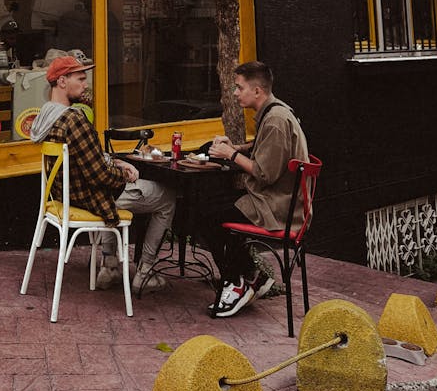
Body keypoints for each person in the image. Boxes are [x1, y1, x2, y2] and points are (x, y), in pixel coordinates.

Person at [29, 54, 175, 293]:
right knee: (166, 196)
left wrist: (115, 162)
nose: (86, 85)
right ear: (62, 81)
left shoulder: (46, 117)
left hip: (66, 197)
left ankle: (109, 266)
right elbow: (100, 178)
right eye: (81, 79)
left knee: (113, 186)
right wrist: (125, 175)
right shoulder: (75, 119)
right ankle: (145, 273)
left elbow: (87, 159)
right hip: (91, 198)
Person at [198, 60, 309, 318]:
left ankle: (236, 282)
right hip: (275, 200)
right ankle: (251, 277)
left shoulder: (275, 121)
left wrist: (229, 154)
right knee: (213, 207)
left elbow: (264, 173)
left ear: (257, 91)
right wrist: (238, 148)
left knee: (208, 217)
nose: (235, 93)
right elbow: (269, 150)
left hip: (276, 207)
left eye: (239, 88)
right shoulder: (276, 113)